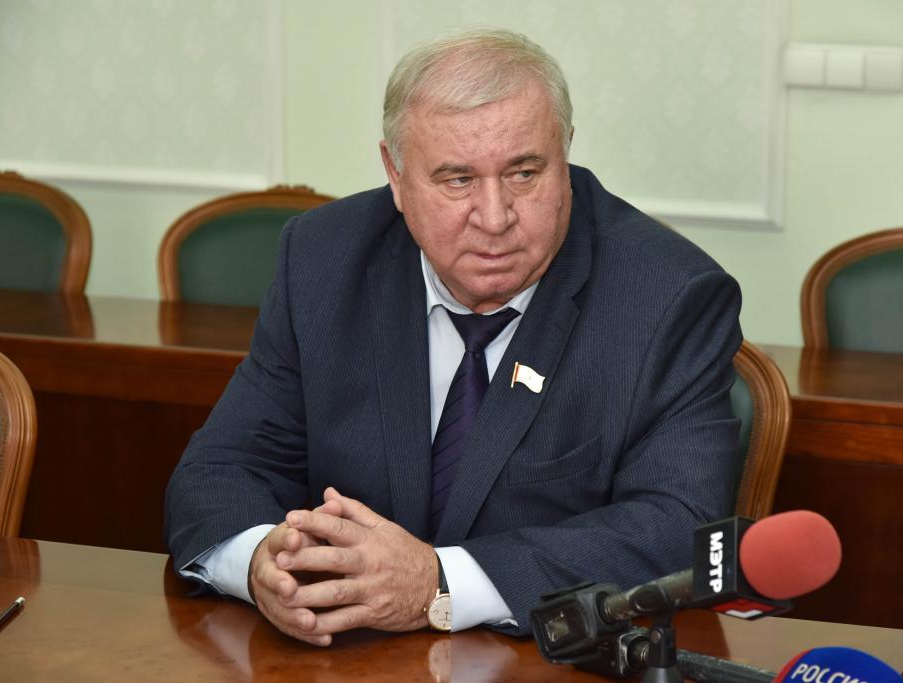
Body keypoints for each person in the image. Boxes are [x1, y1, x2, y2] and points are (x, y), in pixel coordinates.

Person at [164, 28, 742, 647]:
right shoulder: (323, 260)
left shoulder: (667, 298)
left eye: (525, 173)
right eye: (458, 180)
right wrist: (264, 564)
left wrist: (438, 585)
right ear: (395, 174)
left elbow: (681, 528)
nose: (494, 218)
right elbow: (222, 467)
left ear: (566, 152)